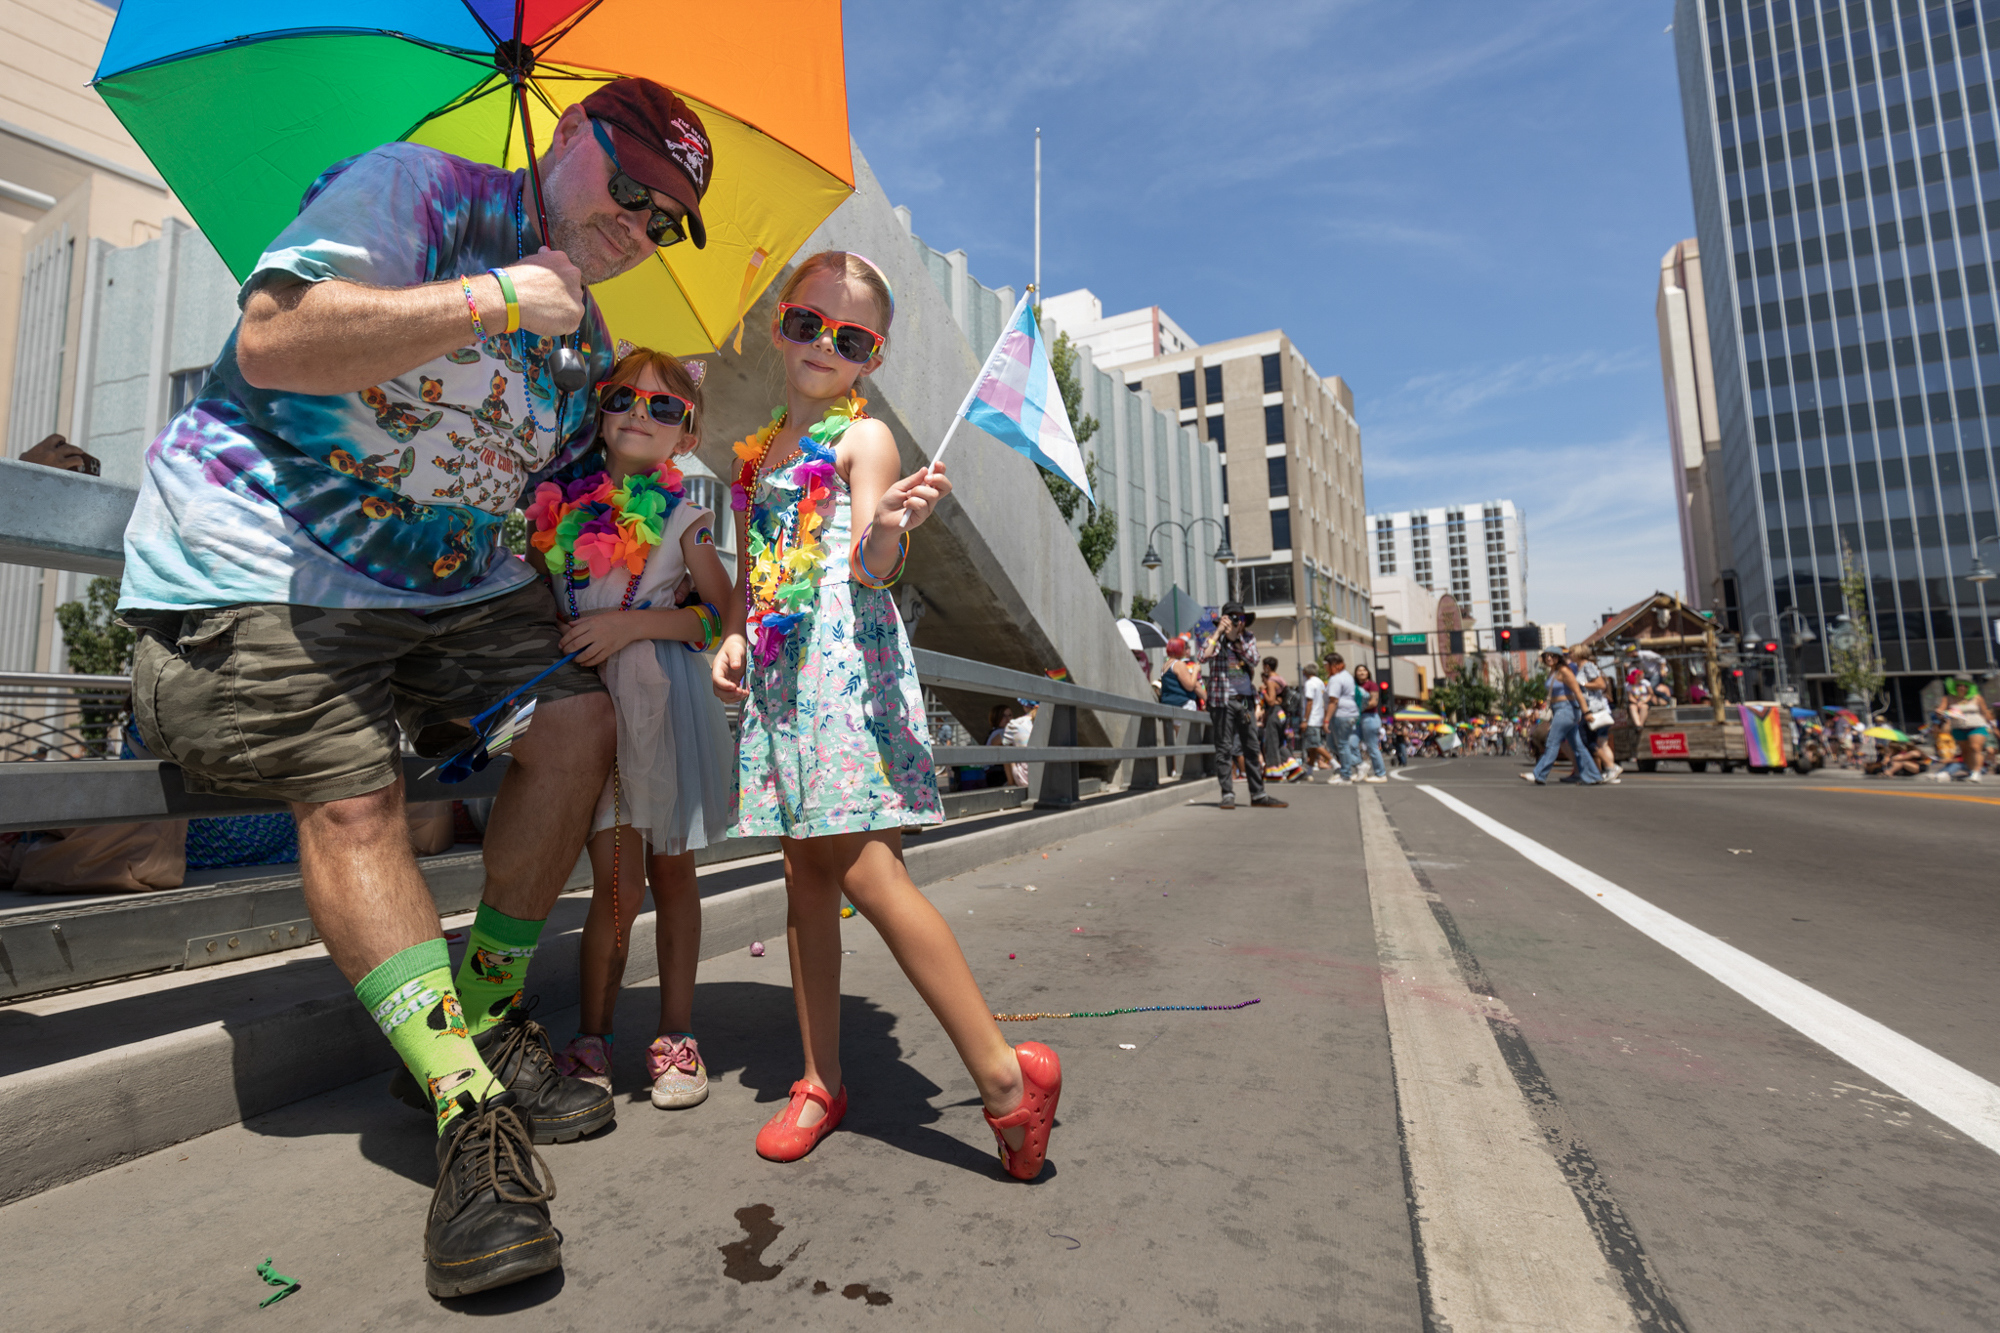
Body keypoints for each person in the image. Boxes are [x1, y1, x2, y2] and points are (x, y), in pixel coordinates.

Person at [115, 78, 712, 1297]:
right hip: (258, 561)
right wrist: (496, 296)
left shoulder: (584, 340)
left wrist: (677, 550)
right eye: (632, 184)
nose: (641, 223)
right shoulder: (419, 190)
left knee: (581, 711)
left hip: (441, 587)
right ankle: (462, 1107)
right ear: (565, 137)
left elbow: (545, 488)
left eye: (669, 219)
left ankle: (484, 1008)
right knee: (354, 794)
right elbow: (272, 341)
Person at [711, 250, 1061, 1180]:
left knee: (867, 870)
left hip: (842, 670)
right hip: (785, 673)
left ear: (874, 356)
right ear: (777, 325)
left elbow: (869, 562)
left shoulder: (864, 442)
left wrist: (894, 526)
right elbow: (760, 575)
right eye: (807, 323)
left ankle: (1001, 1076)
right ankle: (821, 1076)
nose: (825, 344)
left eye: (851, 336)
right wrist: (737, 636)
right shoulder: (759, 452)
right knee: (804, 879)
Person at [524, 347, 734, 1111]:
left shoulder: (688, 520)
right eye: (625, 398)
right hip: (586, 712)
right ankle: (594, 1034)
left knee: (672, 874)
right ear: (599, 411)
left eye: (666, 406)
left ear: (687, 433)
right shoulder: (555, 508)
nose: (642, 413)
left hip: (662, 708)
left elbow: (719, 614)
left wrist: (631, 621)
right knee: (615, 882)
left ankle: (676, 1034)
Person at [1200, 601, 1286, 809]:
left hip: (1245, 701)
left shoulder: (1248, 638)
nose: (1238, 622)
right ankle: (1227, 794)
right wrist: (1219, 632)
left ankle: (1258, 794)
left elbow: (1254, 660)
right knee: (1224, 748)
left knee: (1251, 746)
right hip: (1222, 701)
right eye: (1233, 618)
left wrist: (1235, 641)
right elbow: (1203, 656)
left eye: (1241, 618)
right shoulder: (1215, 638)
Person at [1523, 649, 1607, 785]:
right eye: (1546, 656)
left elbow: (1577, 692)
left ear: (1559, 657)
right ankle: (1594, 775)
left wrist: (1586, 712)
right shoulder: (1553, 671)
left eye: (1553, 656)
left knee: (1552, 742)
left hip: (1566, 709)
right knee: (1578, 746)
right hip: (1558, 709)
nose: (1549, 658)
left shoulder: (1564, 671)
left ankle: (1538, 774)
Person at [1570, 643, 1620, 783]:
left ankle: (1610, 767)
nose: (1570, 655)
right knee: (1590, 741)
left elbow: (1601, 684)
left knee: (1585, 740)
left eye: (1572, 652)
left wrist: (1582, 685)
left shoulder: (1587, 666)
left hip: (1592, 708)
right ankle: (1607, 769)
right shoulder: (1580, 667)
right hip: (1586, 707)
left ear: (1579, 653)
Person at [1157, 636, 1203, 778]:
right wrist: (1195, 670)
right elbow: (1190, 685)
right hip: (1183, 705)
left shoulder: (1165, 665)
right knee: (1186, 740)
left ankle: (1176, 769)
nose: (1185, 650)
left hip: (1171, 706)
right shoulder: (1179, 664)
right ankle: (1184, 770)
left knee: (1178, 740)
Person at [1941, 678, 1993, 781]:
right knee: (1965, 751)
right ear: (1954, 686)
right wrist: (1943, 713)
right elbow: (1941, 710)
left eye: (1965, 685)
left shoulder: (1977, 698)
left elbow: (1985, 711)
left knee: (1975, 748)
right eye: (1959, 685)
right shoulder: (1948, 698)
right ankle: (1971, 770)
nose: (1962, 687)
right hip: (1958, 727)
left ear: (1970, 687)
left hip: (1977, 725)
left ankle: (1977, 772)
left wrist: (1992, 725)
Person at [1351, 662, 1389, 782]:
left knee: (1372, 747)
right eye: (1359, 670)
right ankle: (1361, 770)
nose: (1361, 672)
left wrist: (1357, 707)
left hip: (1370, 717)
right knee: (1351, 743)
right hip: (1356, 718)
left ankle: (1380, 774)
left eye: (1364, 670)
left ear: (1368, 673)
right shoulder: (1353, 685)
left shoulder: (1372, 685)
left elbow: (1373, 702)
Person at [1326, 652, 1360, 782]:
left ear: (1333, 665)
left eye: (1326, 665)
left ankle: (1346, 774)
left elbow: (1333, 700)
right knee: (1334, 744)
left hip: (1341, 714)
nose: (1325, 668)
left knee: (1341, 745)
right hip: (1349, 713)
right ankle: (1358, 764)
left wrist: (1326, 720)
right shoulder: (1347, 676)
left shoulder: (1336, 678)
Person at [1300, 663, 1334, 774]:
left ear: (1305, 672)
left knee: (1315, 745)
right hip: (1319, 716)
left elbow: (1309, 702)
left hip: (1312, 719)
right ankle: (1309, 771)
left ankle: (1335, 764)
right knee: (1312, 747)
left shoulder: (1309, 683)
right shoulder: (1320, 682)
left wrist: (1305, 720)